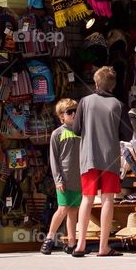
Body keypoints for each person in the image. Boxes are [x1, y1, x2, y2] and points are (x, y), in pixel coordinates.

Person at [71, 67, 132, 257]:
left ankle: (80, 245)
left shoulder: (85, 102)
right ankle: (103, 246)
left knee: (87, 199)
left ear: (96, 83)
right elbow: (127, 134)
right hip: (110, 158)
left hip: (88, 157)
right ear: (113, 85)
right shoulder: (118, 105)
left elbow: (76, 129)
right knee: (108, 199)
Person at [42, 98, 81, 255]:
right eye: (69, 112)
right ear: (61, 116)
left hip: (78, 179)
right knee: (63, 208)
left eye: (75, 111)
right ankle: (49, 238)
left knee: (73, 211)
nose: (73, 114)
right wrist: (57, 179)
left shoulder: (81, 131)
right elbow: (54, 159)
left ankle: (72, 243)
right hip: (63, 179)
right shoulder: (57, 134)